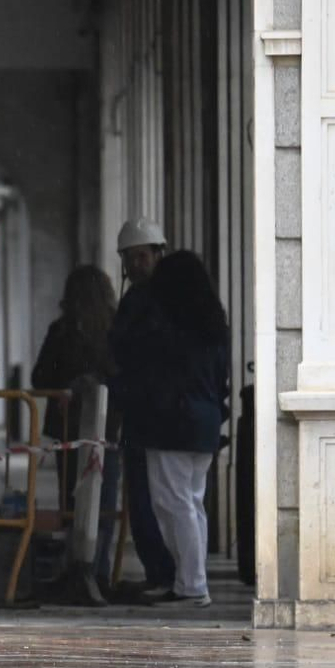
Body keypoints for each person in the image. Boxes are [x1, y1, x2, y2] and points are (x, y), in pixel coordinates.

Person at [110, 247, 230, 608]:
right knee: (192, 503)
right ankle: (189, 580)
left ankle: (191, 584)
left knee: (173, 503)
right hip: (204, 422)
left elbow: (138, 362)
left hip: (171, 424)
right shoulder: (212, 324)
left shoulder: (166, 326)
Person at [32, 264, 118, 603]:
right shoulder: (116, 330)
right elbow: (123, 373)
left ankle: (78, 567)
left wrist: (69, 386)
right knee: (105, 500)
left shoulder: (62, 331)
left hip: (69, 429)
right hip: (108, 428)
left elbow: (41, 377)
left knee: (73, 498)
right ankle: (99, 569)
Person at [105, 218, 178, 600]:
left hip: (154, 412)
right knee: (142, 497)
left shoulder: (162, 302)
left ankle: (168, 573)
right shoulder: (137, 300)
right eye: (130, 258)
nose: (135, 265)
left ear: (157, 255)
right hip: (139, 411)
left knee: (162, 499)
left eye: (142, 257)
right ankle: (160, 572)